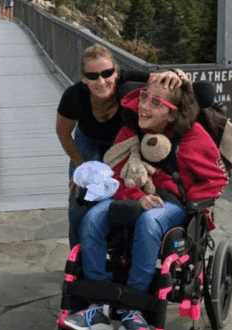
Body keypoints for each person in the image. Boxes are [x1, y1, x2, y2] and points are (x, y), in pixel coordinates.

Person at [59, 78, 230, 330]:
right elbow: (114, 176)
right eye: (143, 98)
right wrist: (137, 196)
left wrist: (188, 200)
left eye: (155, 102)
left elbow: (216, 178)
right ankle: (98, 305)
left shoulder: (193, 136)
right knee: (92, 218)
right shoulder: (130, 132)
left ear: (173, 113)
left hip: (172, 204)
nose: (143, 106)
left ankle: (133, 308)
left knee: (149, 223)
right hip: (130, 196)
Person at [56, 44, 183, 248]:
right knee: (80, 201)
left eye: (107, 73)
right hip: (87, 143)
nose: (101, 81)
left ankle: (119, 250)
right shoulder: (74, 97)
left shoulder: (127, 81)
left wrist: (174, 74)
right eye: (93, 75)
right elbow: (63, 133)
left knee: (124, 192)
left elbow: (161, 79)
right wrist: (79, 165)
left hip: (122, 142)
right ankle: (78, 261)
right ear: (83, 79)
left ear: (117, 72)